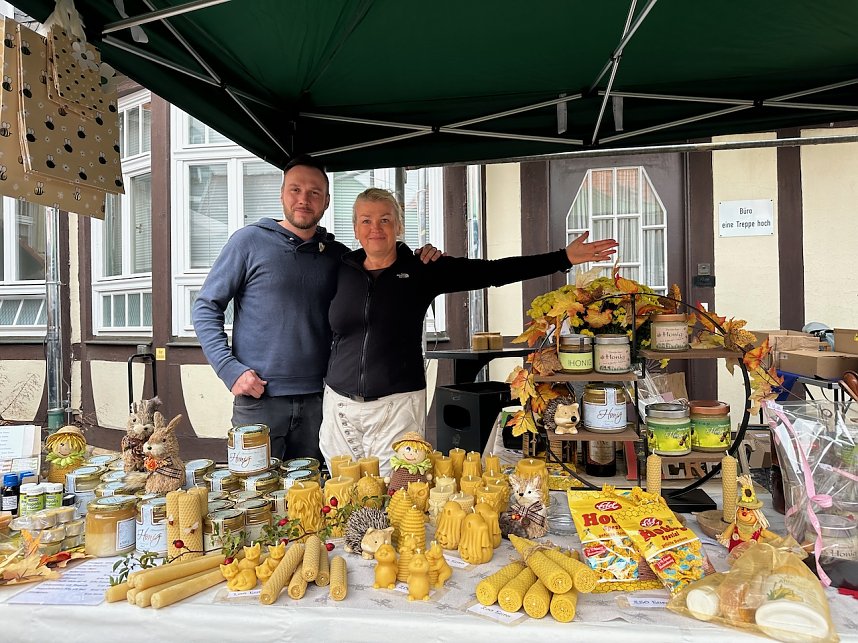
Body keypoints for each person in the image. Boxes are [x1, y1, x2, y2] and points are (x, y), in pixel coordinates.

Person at [319, 187, 618, 476]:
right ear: (355, 229)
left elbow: (492, 272)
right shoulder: (341, 268)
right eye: (366, 221)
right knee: (340, 487)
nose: (376, 228)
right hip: (339, 404)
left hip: (395, 404)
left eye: (385, 219)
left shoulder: (423, 269)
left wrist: (562, 258)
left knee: (394, 488)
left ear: (398, 226)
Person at [193, 156, 440, 462]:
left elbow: (381, 265)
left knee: (313, 499)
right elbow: (206, 307)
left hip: (320, 402)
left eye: (314, 193)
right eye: (295, 190)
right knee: (253, 494)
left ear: (326, 201)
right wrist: (230, 370)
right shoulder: (248, 243)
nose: (303, 200)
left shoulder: (340, 258)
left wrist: (418, 259)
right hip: (259, 399)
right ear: (282, 194)